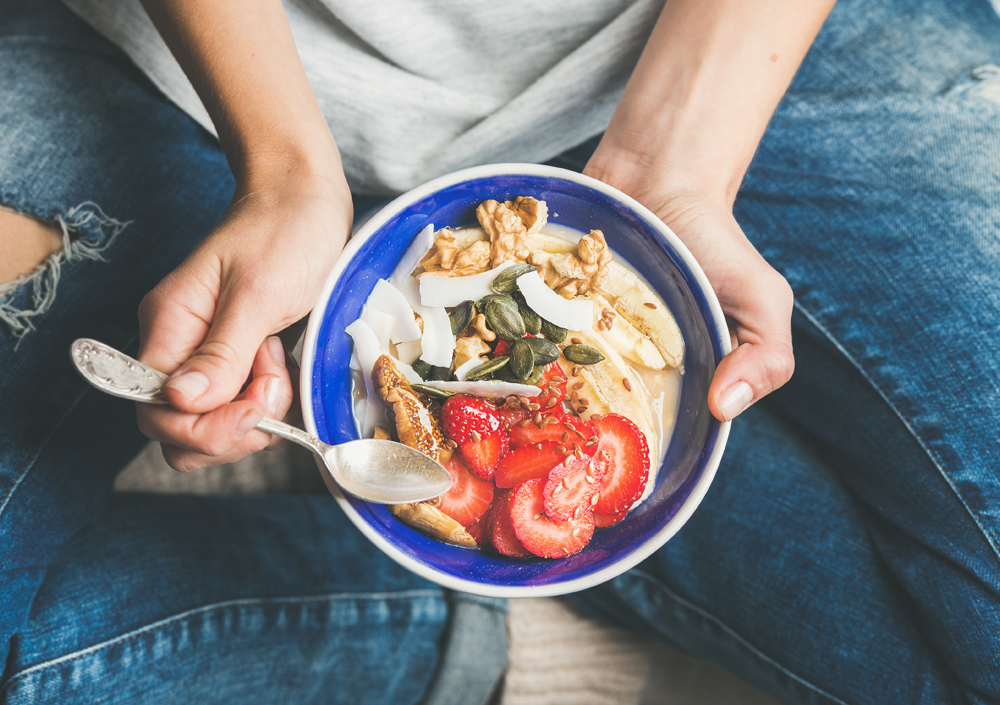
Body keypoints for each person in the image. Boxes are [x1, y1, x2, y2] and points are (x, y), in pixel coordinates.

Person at [1, 0, 998, 701]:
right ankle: (437, 624)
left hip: (744, 54)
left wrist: (673, 163)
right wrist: (284, 168)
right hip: (191, 72)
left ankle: (627, 532)